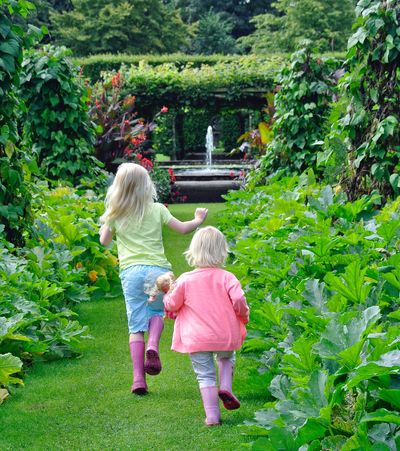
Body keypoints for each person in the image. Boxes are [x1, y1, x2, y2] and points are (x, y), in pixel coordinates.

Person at [99, 163, 208, 395]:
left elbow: (104, 242)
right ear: (146, 185)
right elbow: (182, 228)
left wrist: (106, 224)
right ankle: (153, 345)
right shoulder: (157, 208)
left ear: (119, 187)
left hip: (131, 273)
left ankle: (139, 379)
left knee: (135, 325)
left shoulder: (115, 213)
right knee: (157, 312)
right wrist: (198, 220)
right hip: (157, 272)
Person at [163, 226, 249, 426]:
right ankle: (226, 387)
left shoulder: (185, 280)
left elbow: (172, 304)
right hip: (224, 334)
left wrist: (168, 294)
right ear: (222, 251)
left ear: (193, 251)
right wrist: (243, 315)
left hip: (197, 337)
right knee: (226, 358)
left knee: (205, 375)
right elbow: (238, 298)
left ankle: (212, 417)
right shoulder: (227, 277)